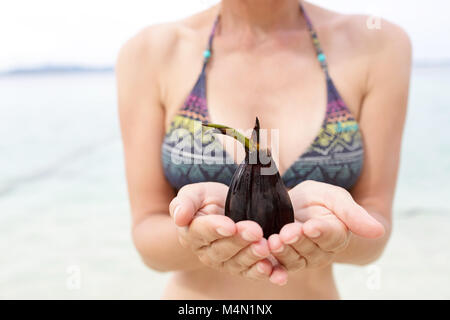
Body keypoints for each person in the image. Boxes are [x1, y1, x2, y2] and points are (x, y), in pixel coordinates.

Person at [116, 0, 411, 299]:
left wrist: (338, 234)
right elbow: (147, 236)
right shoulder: (150, 52)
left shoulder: (378, 46)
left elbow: (376, 227)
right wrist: (194, 235)